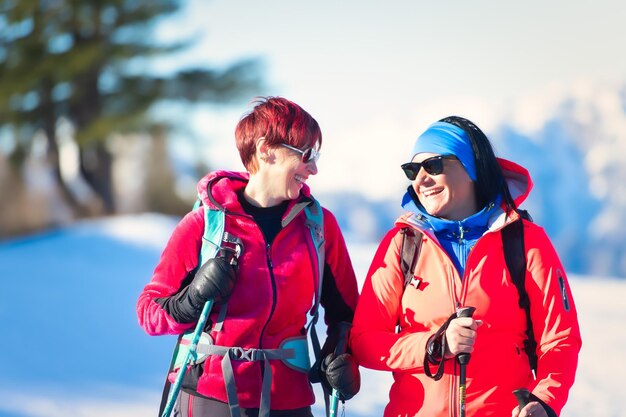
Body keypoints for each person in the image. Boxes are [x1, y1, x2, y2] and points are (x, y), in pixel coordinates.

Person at [137, 97, 361, 417]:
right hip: (209, 396)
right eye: (306, 155)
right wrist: (192, 297)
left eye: (317, 156)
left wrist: (341, 356)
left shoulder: (319, 227)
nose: (313, 168)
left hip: (290, 400)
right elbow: (149, 311)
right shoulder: (205, 224)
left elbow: (348, 316)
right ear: (265, 149)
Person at [349, 116, 581, 417]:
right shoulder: (402, 243)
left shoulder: (525, 241)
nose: (420, 179)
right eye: (412, 170)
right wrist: (434, 346)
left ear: (471, 168)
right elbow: (365, 341)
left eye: (433, 165)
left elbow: (560, 338)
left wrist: (545, 401)